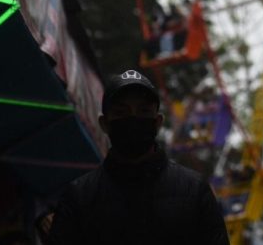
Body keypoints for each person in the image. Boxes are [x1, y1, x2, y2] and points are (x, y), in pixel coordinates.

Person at [47, 70, 228, 245]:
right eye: (121, 112)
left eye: (143, 111)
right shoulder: (78, 198)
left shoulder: (195, 192)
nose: (133, 120)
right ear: (104, 123)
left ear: (157, 123)